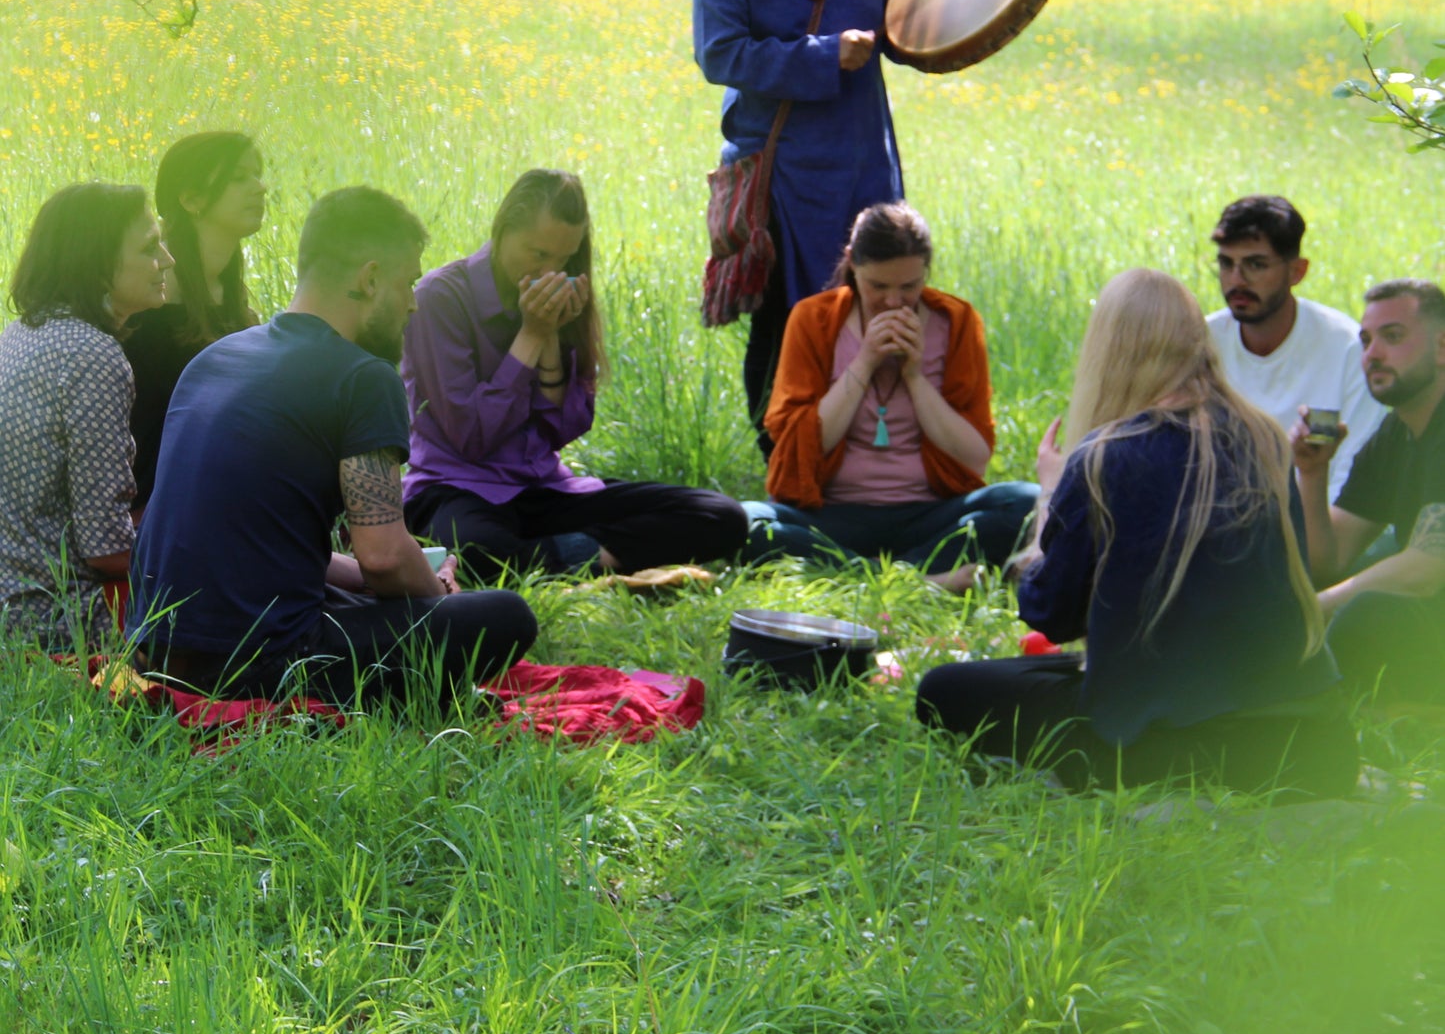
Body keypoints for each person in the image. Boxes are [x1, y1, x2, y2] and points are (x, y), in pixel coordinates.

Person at [916, 269, 1357, 798]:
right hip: (1313, 745)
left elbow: (1049, 614)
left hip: (1177, 748)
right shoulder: (1265, 439)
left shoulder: (1106, 457)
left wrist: (1050, 499)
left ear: (1110, 351)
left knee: (942, 690)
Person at [127, 187, 537, 708]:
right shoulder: (362, 377)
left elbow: (257, 543)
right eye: (407, 282)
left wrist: (398, 577)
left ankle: (424, 690)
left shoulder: (215, 359)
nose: (413, 303)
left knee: (358, 598)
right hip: (263, 663)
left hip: (156, 649)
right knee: (506, 614)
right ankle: (426, 692)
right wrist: (437, 595)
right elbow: (385, 558)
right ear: (368, 279)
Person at [401, 168, 748, 581]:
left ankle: (571, 561)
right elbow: (472, 436)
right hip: (459, 488)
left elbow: (566, 428)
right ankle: (608, 565)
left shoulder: (563, 292)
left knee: (722, 516)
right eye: (537, 253)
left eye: (563, 258)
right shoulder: (440, 299)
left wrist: (551, 344)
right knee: (472, 549)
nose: (550, 270)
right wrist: (530, 337)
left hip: (543, 489)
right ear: (502, 229)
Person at [693, 0, 905, 444]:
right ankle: (781, 458)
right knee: (789, 321)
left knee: (879, 309)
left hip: (869, 164)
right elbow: (720, 55)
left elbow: (908, 29)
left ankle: (875, 454)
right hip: (782, 177)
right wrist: (823, 54)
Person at [744, 203, 1038, 591]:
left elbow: (975, 455)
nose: (895, 302)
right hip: (832, 513)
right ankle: (921, 581)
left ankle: (856, 576)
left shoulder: (956, 322)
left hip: (930, 515)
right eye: (878, 287)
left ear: (926, 273)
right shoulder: (812, 318)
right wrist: (864, 362)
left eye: (909, 287)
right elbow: (800, 447)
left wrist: (915, 376)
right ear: (852, 265)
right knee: (749, 522)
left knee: (1030, 503)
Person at [0, 183, 173, 649]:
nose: (167, 259)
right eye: (147, 246)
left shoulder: (18, 335)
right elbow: (106, 550)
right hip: (61, 618)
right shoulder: (91, 356)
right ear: (96, 266)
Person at [1291, 279, 1445, 704]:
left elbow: (1428, 568)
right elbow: (1328, 561)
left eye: (1392, 337)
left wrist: (1317, 608)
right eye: (1365, 340)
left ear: (1441, 347)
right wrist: (1312, 472)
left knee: (1367, 611)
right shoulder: (1396, 431)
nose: (1372, 354)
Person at [1206, 195, 1384, 500]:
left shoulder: (1347, 348)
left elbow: (1354, 475)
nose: (1236, 280)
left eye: (1255, 264)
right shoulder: (1201, 343)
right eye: (1226, 264)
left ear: (1297, 272)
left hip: (1320, 529)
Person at [124, 131, 266, 510]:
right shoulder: (152, 290)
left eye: (258, 174)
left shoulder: (229, 292)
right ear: (191, 199)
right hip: (152, 500)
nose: (259, 187)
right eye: (239, 178)